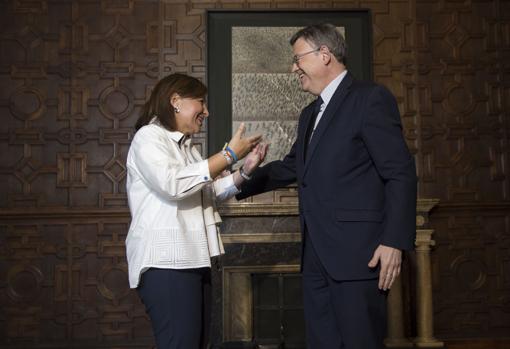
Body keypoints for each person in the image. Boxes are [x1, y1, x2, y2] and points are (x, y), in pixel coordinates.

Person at [236, 24, 417, 349]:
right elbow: (293, 167)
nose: (293, 68)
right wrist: (243, 176)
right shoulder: (309, 114)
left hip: (359, 256)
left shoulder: (370, 99)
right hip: (315, 256)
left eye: (297, 58)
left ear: (324, 55)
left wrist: (394, 241)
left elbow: (400, 173)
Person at [125, 73, 267, 349]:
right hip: (166, 263)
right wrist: (228, 155)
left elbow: (205, 193)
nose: (207, 111)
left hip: (192, 259)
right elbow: (173, 184)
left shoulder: (186, 147)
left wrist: (245, 171)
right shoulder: (149, 137)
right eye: (200, 102)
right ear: (175, 101)